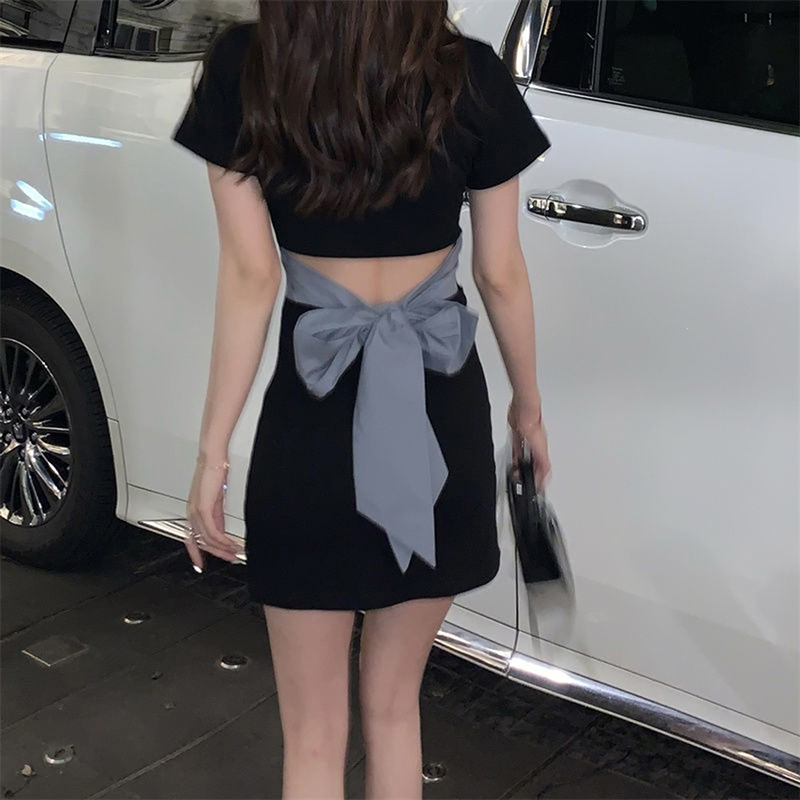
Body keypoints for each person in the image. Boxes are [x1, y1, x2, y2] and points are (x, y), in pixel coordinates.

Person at [172, 1, 551, 797]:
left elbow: (251, 276)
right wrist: (528, 408)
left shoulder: (247, 66)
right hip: (440, 423)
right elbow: (500, 274)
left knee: (313, 738)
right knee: (395, 708)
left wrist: (212, 454)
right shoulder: (471, 76)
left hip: (311, 430)